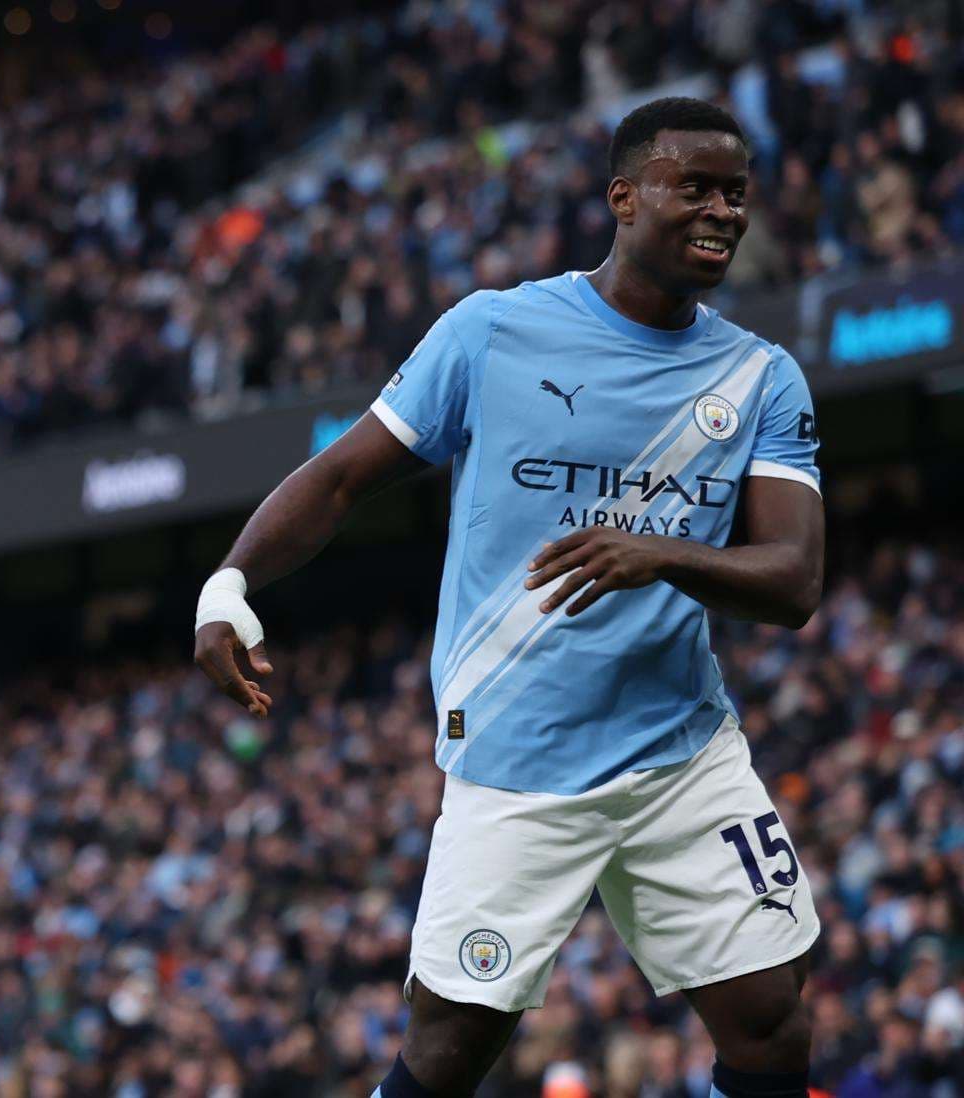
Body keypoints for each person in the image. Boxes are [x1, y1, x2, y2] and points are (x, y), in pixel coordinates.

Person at [194, 97, 824, 1098]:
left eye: (736, 193)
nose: (723, 211)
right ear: (624, 198)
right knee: (447, 1059)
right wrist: (228, 585)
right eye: (694, 188)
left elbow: (792, 581)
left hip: (680, 756)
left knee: (772, 1029)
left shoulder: (760, 378)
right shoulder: (492, 332)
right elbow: (340, 477)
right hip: (514, 764)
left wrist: (660, 555)